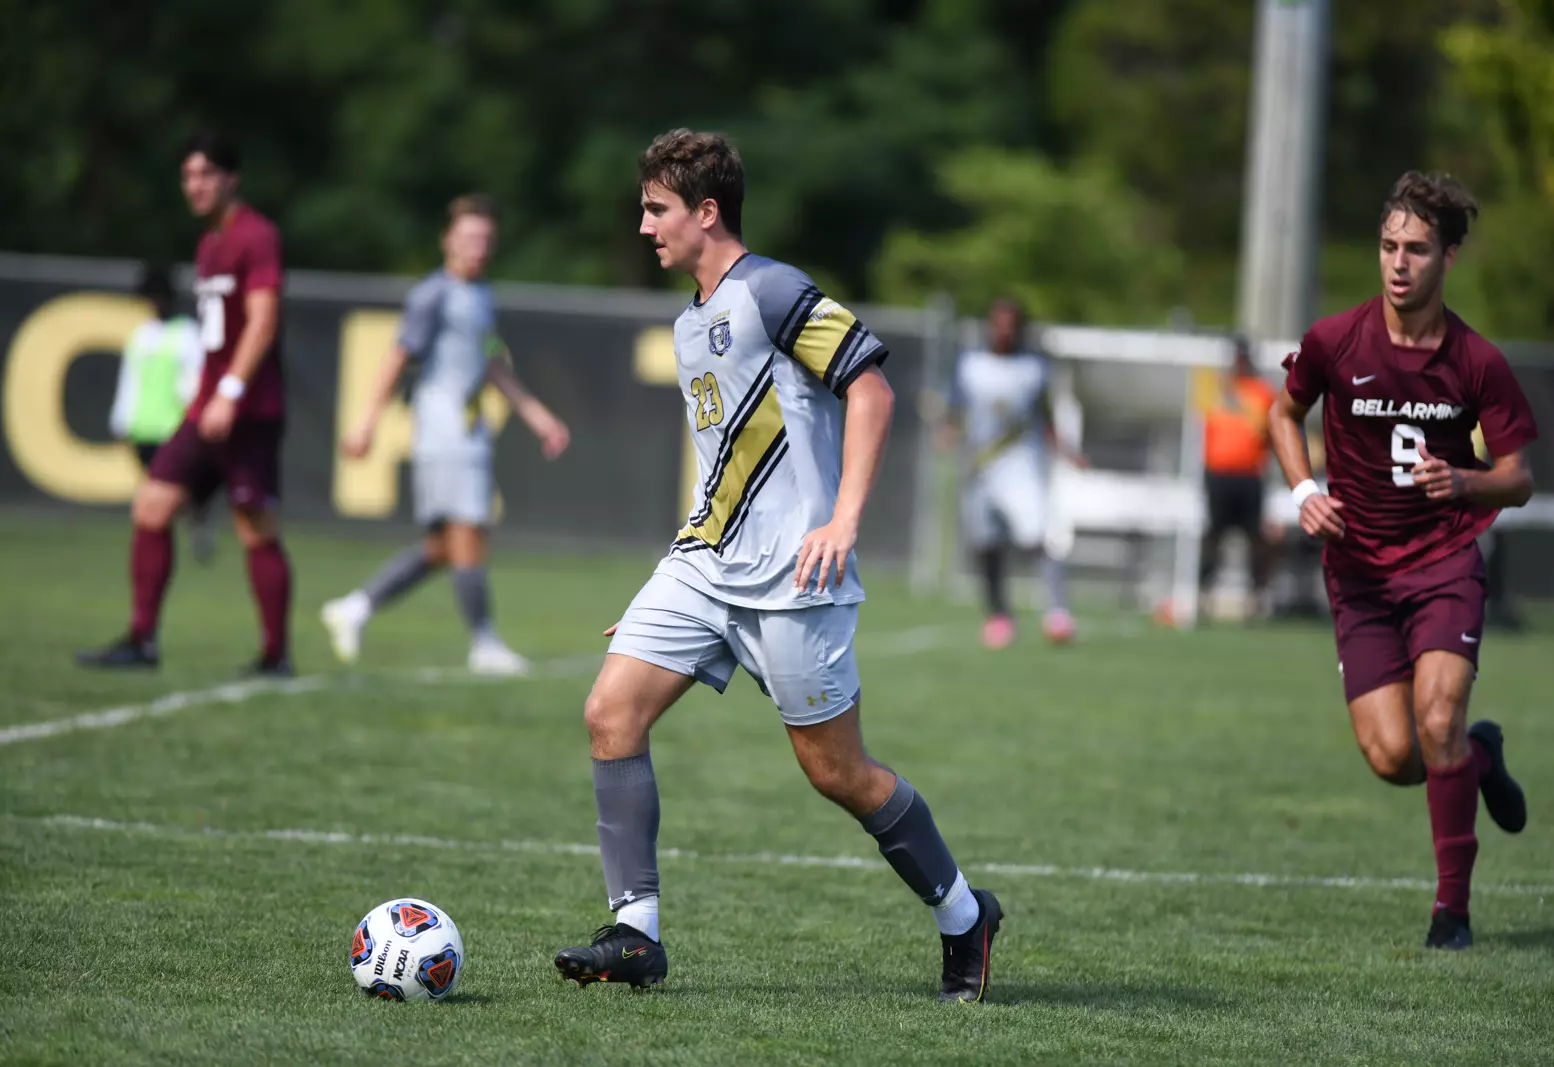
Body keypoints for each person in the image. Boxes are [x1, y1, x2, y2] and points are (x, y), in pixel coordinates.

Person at [551, 129, 1002, 1002]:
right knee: (610, 711)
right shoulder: (690, 323)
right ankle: (635, 932)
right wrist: (666, 583)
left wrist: (843, 517)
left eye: (657, 209)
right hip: (706, 567)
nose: (644, 226)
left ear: (706, 212)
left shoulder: (772, 289)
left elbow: (871, 386)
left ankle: (963, 917)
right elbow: (723, 467)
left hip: (799, 579)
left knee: (837, 772)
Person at [1266, 171, 1539, 950]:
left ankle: (1450, 912)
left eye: (1417, 248)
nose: (1398, 262)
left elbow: (1519, 478)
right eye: (1388, 245)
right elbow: (1282, 415)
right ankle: (1479, 758)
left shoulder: (1476, 360)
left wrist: (1467, 479)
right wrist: (1302, 490)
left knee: (1437, 717)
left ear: (1448, 256)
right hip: (1358, 573)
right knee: (1394, 755)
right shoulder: (1334, 340)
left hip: (1444, 561)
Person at [320, 195, 570, 675]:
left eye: (486, 239)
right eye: (469, 237)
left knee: (442, 547)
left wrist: (538, 416)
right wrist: (367, 423)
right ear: (447, 239)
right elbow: (397, 357)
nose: (478, 247)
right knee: (470, 532)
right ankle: (485, 643)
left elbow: (493, 362)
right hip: (444, 431)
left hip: (469, 430)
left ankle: (355, 607)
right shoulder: (432, 294)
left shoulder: (482, 295)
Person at [78, 132, 294, 674]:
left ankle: (275, 654)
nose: (194, 186)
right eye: (188, 176)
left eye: (205, 174)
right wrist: (208, 395)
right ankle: (142, 639)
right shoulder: (208, 244)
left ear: (231, 178)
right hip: (206, 410)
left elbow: (263, 321)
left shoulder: (256, 235)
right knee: (152, 505)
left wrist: (230, 391)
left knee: (253, 526)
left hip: (247, 411)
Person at [944, 298, 1083, 648]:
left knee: (1035, 537)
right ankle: (999, 615)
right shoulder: (970, 364)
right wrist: (947, 432)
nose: (1004, 331)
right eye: (998, 323)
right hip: (979, 469)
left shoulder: (1034, 367)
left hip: (1021, 466)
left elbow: (1045, 415)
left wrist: (1066, 450)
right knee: (987, 545)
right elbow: (956, 409)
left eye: (1011, 324)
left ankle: (1057, 612)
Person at [110, 263, 214, 563]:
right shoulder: (141, 336)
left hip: (174, 428)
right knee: (155, 498)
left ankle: (192, 527)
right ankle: (166, 540)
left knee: (169, 494)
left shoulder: (187, 334)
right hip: (143, 427)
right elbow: (130, 380)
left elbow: (194, 382)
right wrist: (121, 418)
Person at [1198, 335, 1279, 618]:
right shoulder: (1214, 388)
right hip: (1218, 473)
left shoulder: (1262, 392)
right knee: (1213, 535)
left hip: (1249, 475)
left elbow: (1269, 432)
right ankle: (1203, 594)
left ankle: (1257, 599)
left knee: (1255, 537)